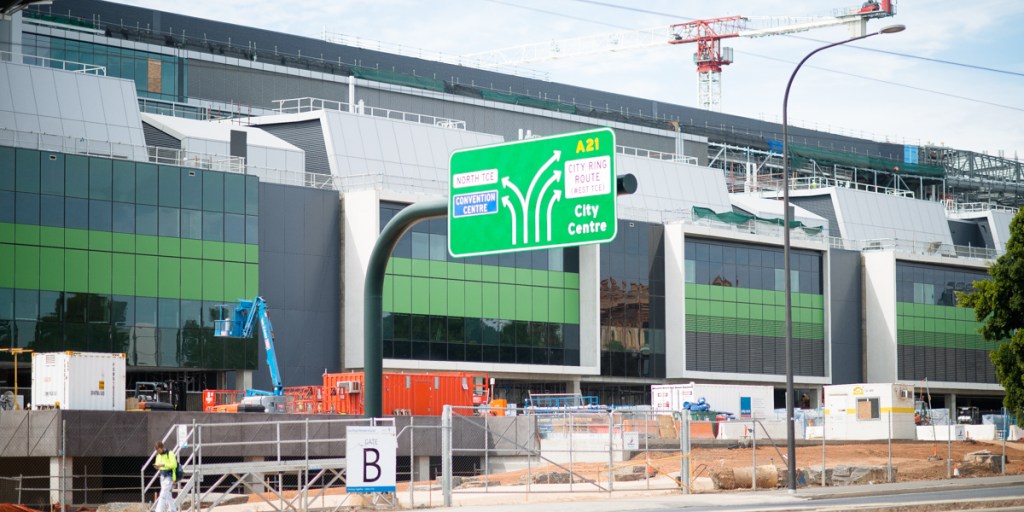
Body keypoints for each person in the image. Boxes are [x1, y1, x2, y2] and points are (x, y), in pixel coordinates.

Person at [153, 441, 178, 512]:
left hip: (169, 476)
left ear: (162, 448)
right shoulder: (158, 455)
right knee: (168, 494)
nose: (158, 452)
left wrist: (163, 465)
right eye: (157, 451)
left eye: (159, 450)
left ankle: (159, 510)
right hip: (162, 476)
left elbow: (174, 465)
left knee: (163, 493)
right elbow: (158, 464)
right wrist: (157, 466)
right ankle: (173, 510)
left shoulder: (169, 453)